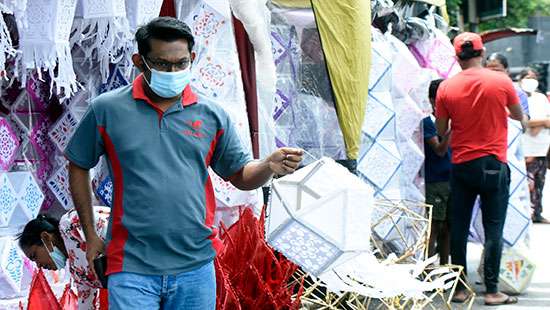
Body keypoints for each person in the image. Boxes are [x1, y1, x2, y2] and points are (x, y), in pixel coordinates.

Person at [65, 17, 303, 310]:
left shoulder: (212, 114)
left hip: (195, 265)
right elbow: (77, 163)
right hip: (130, 265)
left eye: (180, 63)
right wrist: (90, 235)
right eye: (163, 64)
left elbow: (240, 175)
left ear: (192, 59)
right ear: (140, 61)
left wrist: (268, 165)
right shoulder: (108, 109)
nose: (173, 71)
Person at [435, 32, 525, 305]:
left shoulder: (446, 88)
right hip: (493, 165)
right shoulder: (501, 81)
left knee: (459, 227)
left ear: (456, 56)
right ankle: (491, 290)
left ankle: (460, 289)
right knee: (493, 229)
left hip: (462, 166)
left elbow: (442, 130)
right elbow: (519, 115)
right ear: (482, 52)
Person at [17, 207, 110, 310]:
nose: (38, 265)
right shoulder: (77, 271)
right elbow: (86, 303)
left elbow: (113, 230)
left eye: (34, 256)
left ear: (46, 238)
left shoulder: (70, 223)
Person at [423, 78, 451, 266]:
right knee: (433, 226)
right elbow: (439, 150)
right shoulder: (427, 122)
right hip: (435, 181)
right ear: (433, 100)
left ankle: (444, 267)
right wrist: (452, 129)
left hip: (452, 179)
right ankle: (427, 270)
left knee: (448, 227)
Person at [518, 68, 550, 224]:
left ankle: (537, 213)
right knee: (526, 184)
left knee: (539, 183)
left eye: (533, 77)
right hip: (525, 148)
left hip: (541, 148)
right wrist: (542, 122)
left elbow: (548, 120)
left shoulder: (542, 98)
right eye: (527, 77)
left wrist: (540, 123)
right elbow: (524, 121)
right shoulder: (520, 97)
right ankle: (525, 214)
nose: (531, 80)